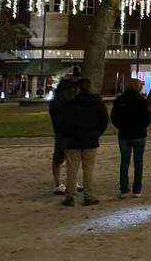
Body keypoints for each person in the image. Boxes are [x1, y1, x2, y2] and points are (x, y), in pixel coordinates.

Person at [58, 78, 109, 207]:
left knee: (72, 170)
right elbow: (104, 120)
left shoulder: (71, 104)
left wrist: (68, 135)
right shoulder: (97, 103)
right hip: (90, 139)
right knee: (88, 169)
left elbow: (63, 122)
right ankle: (88, 195)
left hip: (73, 140)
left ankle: (70, 196)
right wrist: (97, 133)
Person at [111, 78, 151, 198]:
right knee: (138, 162)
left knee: (124, 162)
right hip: (139, 134)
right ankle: (137, 188)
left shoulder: (120, 100)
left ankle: (124, 188)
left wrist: (120, 126)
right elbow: (147, 117)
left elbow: (114, 116)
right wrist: (142, 126)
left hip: (124, 134)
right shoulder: (141, 100)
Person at [48, 76, 79, 195]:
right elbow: (58, 120)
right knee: (60, 157)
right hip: (63, 133)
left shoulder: (64, 100)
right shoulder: (59, 103)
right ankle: (58, 183)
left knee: (70, 158)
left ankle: (70, 181)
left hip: (67, 132)